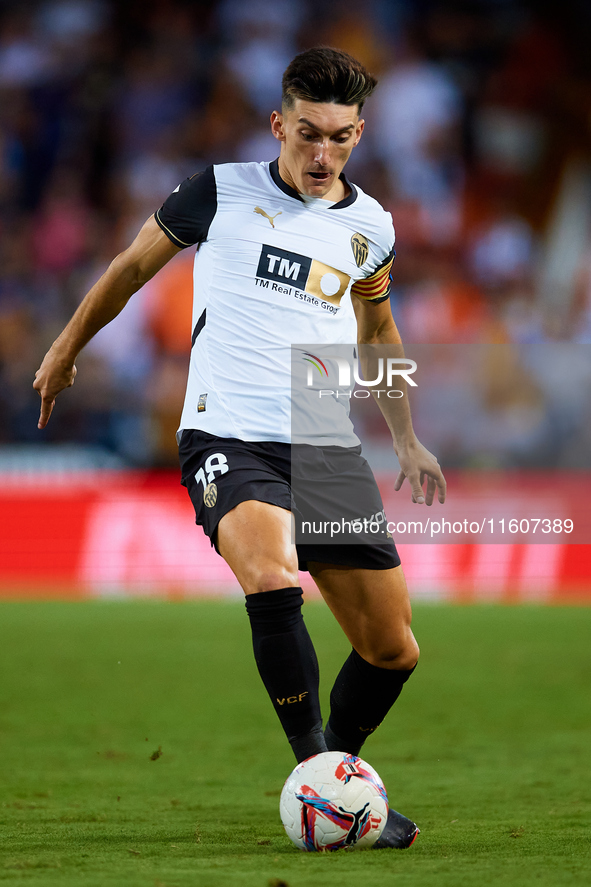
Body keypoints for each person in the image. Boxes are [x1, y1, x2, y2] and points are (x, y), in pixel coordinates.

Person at [34, 47, 446, 849]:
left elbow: (378, 327)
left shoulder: (372, 227)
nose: (320, 155)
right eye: (305, 134)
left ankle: (332, 780)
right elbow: (128, 268)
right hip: (227, 428)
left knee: (392, 649)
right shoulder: (217, 192)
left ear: (357, 134)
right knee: (269, 571)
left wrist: (403, 430)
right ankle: (320, 775)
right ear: (277, 124)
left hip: (323, 440)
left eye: (337, 137)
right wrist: (66, 346)